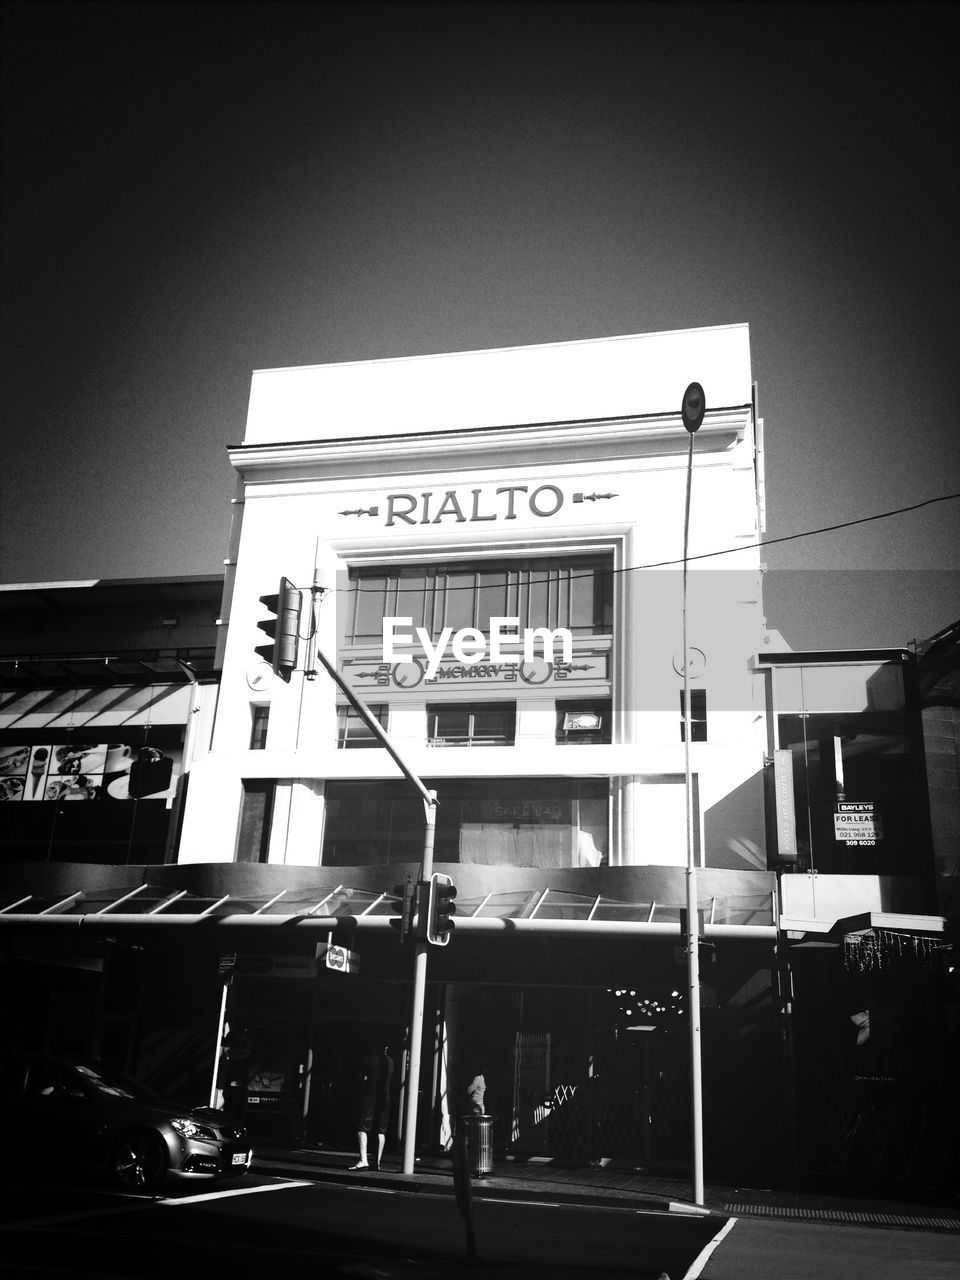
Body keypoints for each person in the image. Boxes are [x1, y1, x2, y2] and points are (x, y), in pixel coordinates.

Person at [350, 1039, 393, 1170]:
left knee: (362, 1128)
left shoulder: (369, 1060)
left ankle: (363, 1160)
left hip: (369, 1097)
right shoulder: (390, 1062)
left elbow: (361, 1078)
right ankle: (377, 1162)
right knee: (381, 1130)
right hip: (385, 1098)